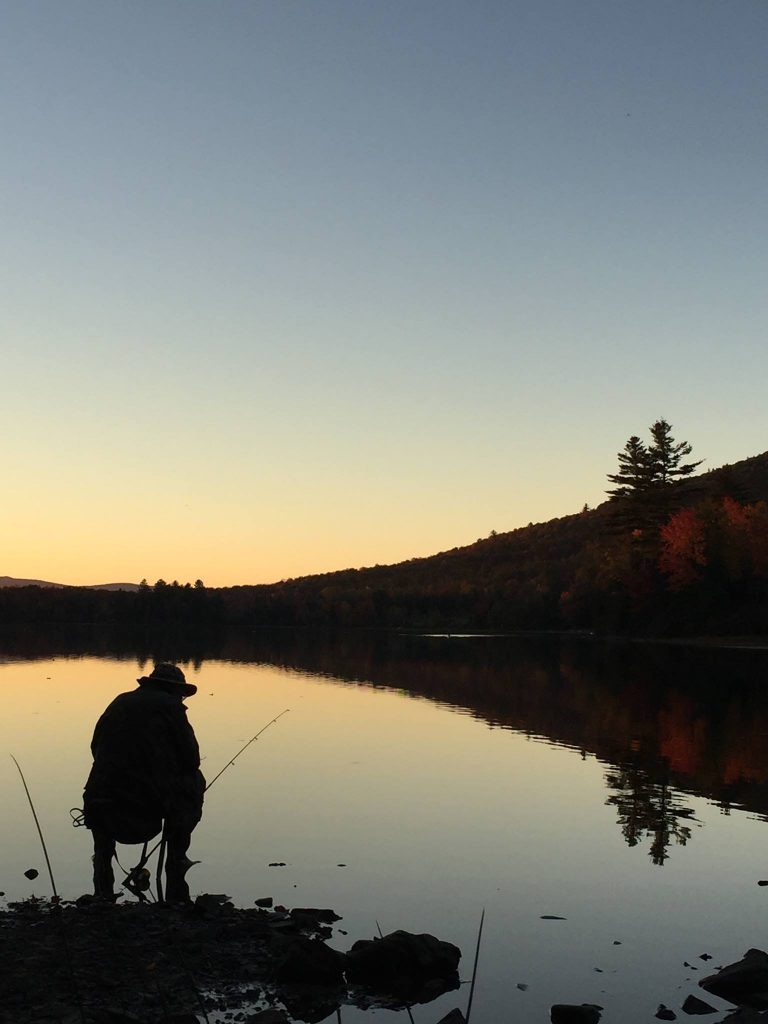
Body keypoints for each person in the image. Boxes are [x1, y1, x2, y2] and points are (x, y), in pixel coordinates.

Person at [83, 662, 205, 902]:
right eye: (181, 694)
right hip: (147, 798)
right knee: (194, 782)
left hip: (102, 795)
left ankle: (102, 863)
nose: (181, 699)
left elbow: (95, 747)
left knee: (101, 777)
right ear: (174, 690)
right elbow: (191, 758)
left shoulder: (120, 701)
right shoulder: (171, 707)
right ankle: (176, 860)